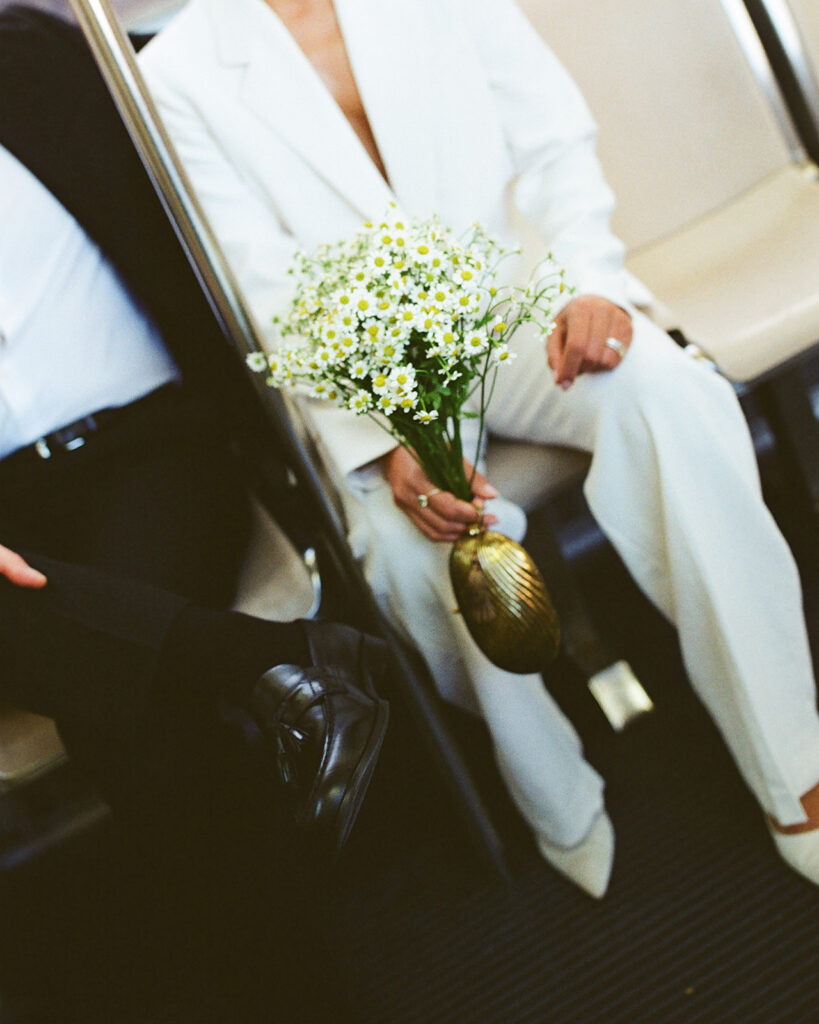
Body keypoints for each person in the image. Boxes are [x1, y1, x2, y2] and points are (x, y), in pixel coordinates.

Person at [140, 0, 819, 897]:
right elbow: (261, 289)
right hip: (373, 365)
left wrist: (589, 283)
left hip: (515, 302)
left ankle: (793, 774)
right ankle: (557, 797)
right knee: (414, 547)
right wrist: (388, 439)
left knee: (666, 395)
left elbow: (551, 136)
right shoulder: (179, 70)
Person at [0, 2, 389, 856]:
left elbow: (199, 79)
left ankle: (275, 979)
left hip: (143, 452)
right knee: (115, 693)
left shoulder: (32, 58)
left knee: (116, 701)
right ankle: (272, 666)